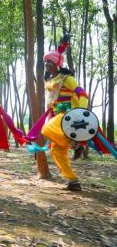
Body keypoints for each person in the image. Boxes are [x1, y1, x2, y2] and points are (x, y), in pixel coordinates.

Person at [40, 35, 88, 191]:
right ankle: (73, 181)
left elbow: (82, 95)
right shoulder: (48, 79)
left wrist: (80, 112)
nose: (47, 64)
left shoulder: (67, 78)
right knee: (56, 151)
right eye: (46, 61)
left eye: (50, 61)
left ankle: (76, 142)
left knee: (45, 129)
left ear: (57, 64)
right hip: (55, 116)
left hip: (67, 115)